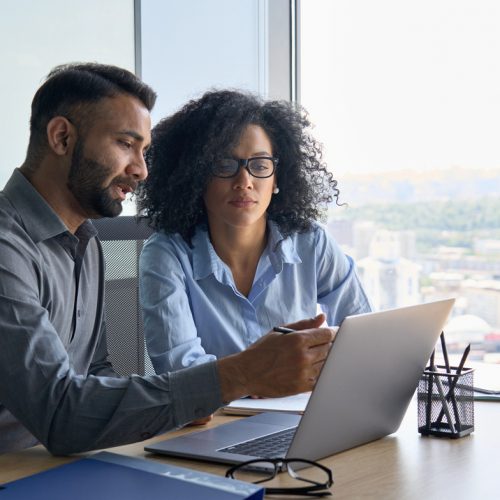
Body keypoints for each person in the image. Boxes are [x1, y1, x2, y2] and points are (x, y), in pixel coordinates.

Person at [0, 63, 335, 455]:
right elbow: (60, 414)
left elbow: (96, 372)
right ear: (61, 137)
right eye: (126, 145)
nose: (141, 170)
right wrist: (239, 374)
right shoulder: (8, 249)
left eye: (144, 151)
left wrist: (176, 402)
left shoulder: (84, 242)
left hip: (62, 465)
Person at [138, 90, 371, 376]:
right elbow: (180, 372)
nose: (244, 181)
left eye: (260, 165)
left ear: (277, 178)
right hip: (214, 418)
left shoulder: (311, 242)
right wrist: (260, 376)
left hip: (302, 411)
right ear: (197, 175)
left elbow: (364, 335)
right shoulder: (166, 255)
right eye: (225, 165)